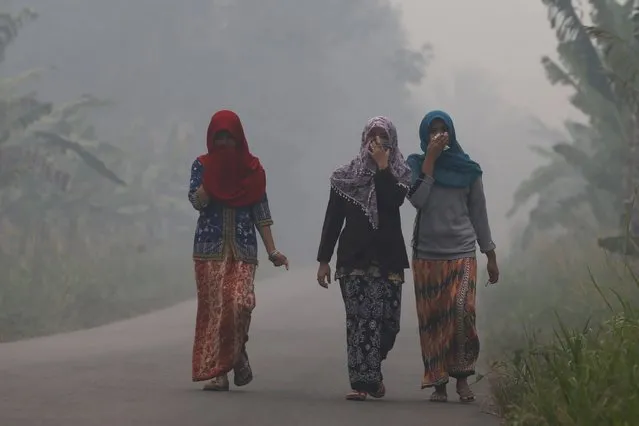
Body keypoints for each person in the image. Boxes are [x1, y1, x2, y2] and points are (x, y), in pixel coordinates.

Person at [188, 109, 289, 391]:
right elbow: (195, 201)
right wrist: (211, 182)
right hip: (210, 251)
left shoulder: (252, 170)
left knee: (241, 304)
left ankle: (237, 350)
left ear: (239, 139)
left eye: (229, 139)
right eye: (219, 139)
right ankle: (220, 373)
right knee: (218, 311)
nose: (224, 145)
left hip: (243, 250)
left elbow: (262, 214)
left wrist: (273, 252)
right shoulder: (202, 165)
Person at [316, 116, 412, 401]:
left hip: (388, 259)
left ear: (392, 142)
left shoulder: (400, 174)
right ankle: (361, 383)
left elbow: (392, 202)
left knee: (387, 324)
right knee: (359, 321)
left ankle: (373, 370)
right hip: (353, 259)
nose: (377, 143)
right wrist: (324, 260)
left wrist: (383, 167)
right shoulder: (345, 176)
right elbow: (332, 220)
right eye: (373, 137)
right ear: (364, 140)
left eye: (383, 138)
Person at [406, 110, 499, 403]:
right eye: (432, 130)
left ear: (451, 133)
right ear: (425, 135)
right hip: (427, 255)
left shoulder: (468, 169)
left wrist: (490, 254)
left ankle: (462, 379)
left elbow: (479, 212)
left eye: (442, 129)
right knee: (434, 321)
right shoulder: (416, 165)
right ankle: (439, 383)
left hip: (462, 251)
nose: (437, 134)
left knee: (462, 312)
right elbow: (418, 201)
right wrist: (430, 161)